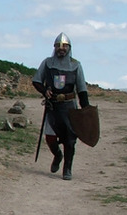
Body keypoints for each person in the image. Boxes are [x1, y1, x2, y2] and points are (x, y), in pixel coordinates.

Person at [32, 32, 90, 180]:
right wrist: (45, 90)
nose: (61, 48)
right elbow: (37, 81)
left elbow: (81, 89)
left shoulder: (76, 65)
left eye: (64, 46)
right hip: (53, 106)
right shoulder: (47, 63)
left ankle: (67, 169)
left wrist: (86, 109)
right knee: (50, 138)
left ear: (69, 48)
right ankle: (58, 156)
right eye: (58, 45)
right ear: (54, 47)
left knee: (70, 139)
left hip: (69, 107)